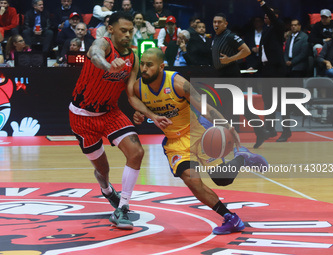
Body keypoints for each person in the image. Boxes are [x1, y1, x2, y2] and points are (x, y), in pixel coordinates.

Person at [132, 47, 268, 235]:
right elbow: (143, 107)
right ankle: (231, 218)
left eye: (149, 65)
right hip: (174, 141)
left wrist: (228, 128)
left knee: (222, 179)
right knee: (193, 182)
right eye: (142, 64)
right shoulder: (139, 86)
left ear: (161, 66)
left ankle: (243, 157)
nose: (144, 69)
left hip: (196, 132)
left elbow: (205, 108)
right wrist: (139, 115)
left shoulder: (178, 83)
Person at [69, 12, 168, 230]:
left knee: (137, 152)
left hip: (111, 113)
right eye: (123, 30)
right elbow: (95, 55)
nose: (128, 34)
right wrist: (107, 66)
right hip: (83, 117)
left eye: (130, 31)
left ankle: (122, 207)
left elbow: (131, 95)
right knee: (102, 170)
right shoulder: (102, 44)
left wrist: (151, 115)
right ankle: (106, 189)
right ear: (111, 29)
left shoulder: (133, 58)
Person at [211, 13, 269, 149]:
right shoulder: (216, 36)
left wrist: (230, 59)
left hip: (230, 75)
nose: (216, 24)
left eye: (219, 22)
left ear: (226, 24)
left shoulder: (230, 36)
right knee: (236, 106)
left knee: (228, 108)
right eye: (214, 22)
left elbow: (247, 51)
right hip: (221, 75)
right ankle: (260, 131)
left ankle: (226, 139)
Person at [257, 0, 290, 142]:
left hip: (277, 70)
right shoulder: (266, 29)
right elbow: (263, 51)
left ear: (274, 16)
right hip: (267, 69)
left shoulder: (278, 27)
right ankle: (270, 129)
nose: (265, 17)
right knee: (268, 101)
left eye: (268, 14)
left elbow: (274, 19)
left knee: (281, 102)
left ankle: (286, 131)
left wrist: (263, 4)